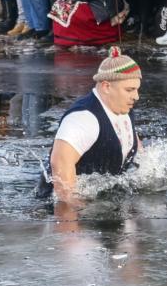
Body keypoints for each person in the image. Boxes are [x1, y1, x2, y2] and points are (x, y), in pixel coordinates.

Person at [37, 46, 142, 203]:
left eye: (137, 90)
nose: (136, 96)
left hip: (104, 199)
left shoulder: (121, 107)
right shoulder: (83, 118)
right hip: (61, 207)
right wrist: (71, 217)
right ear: (106, 86)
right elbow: (59, 163)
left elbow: (135, 147)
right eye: (129, 90)